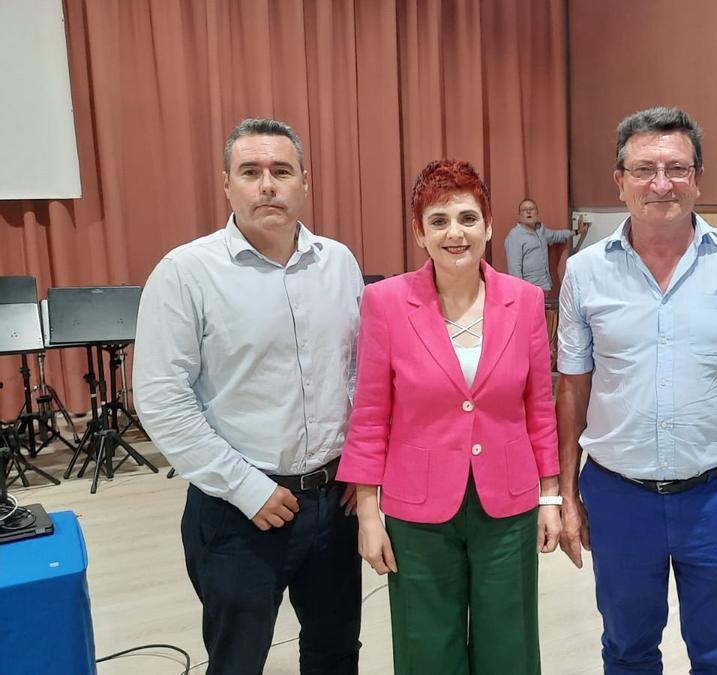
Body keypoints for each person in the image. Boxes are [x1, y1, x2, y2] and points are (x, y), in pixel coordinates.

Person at [555, 106, 717, 674]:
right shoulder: (585, 271)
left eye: (676, 168)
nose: (661, 183)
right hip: (620, 499)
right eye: (644, 169)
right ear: (619, 180)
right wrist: (566, 496)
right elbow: (572, 388)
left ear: (698, 178)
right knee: (626, 649)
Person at [133, 117, 364, 673]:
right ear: (227, 183)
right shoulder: (187, 272)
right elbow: (163, 398)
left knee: (335, 653)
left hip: (336, 503)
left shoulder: (339, 263)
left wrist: (361, 464)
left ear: (304, 181)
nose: (268, 185)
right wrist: (246, 489)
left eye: (281, 171)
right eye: (251, 171)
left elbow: (357, 376)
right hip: (238, 511)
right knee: (237, 660)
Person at [337, 159, 561, 674]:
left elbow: (539, 408)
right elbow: (370, 413)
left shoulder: (524, 301)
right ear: (419, 233)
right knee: (426, 648)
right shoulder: (385, 302)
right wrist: (368, 514)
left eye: (466, 217)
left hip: (508, 505)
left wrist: (551, 496)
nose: (454, 232)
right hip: (417, 508)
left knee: (509, 647)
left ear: (488, 225)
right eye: (438, 221)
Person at [503, 198, 589, 292]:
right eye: (524, 210)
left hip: (544, 287)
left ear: (537, 213)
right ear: (520, 215)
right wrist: (521, 293)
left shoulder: (541, 230)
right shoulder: (514, 236)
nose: (528, 212)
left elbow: (556, 235)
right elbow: (514, 271)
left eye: (532, 209)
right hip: (528, 290)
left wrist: (578, 231)